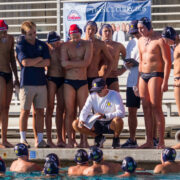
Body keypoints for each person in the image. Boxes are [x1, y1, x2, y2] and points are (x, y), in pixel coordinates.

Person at [137, 17, 171, 149]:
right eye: (139, 28)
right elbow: (140, 61)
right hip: (143, 76)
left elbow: (167, 62)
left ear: (149, 27)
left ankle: (161, 141)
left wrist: (165, 82)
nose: (140, 31)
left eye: (142, 28)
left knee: (156, 107)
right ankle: (149, 140)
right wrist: (137, 81)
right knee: (145, 108)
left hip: (156, 75)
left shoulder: (160, 40)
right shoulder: (140, 40)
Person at [16, 21, 50, 148]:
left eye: (35, 33)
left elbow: (47, 62)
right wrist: (38, 59)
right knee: (25, 111)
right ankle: (23, 139)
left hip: (41, 83)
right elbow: (24, 62)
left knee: (40, 112)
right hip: (27, 84)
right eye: (30, 34)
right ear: (24, 34)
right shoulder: (21, 45)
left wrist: (33, 62)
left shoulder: (42, 45)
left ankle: (39, 140)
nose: (33, 36)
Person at [61, 24, 93, 148]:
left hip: (82, 81)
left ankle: (83, 140)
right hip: (69, 81)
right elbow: (63, 64)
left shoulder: (87, 44)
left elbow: (87, 63)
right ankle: (70, 140)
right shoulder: (65, 45)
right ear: (69, 35)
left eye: (77, 37)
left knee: (83, 112)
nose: (75, 40)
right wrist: (79, 63)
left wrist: (71, 63)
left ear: (80, 34)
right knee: (70, 112)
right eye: (73, 37)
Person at [73, 78, 125, 149]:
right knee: (76, 124)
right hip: (97, 122)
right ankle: (98, 137)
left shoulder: (115, 94)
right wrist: (82, 119)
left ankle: (116, 139)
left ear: (106, 87)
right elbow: (85, 109)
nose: (97, 93)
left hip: (110, 123)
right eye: (95, 90)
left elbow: (121, 113)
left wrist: (105, 116)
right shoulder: (92, 96)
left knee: (118, 120)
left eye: (99, 90)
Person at [115, 20, 141, 148]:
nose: (135, 35)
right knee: (131, 111)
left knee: (150, 110)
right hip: (132, 80)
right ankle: (132, 139)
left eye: (136, 32)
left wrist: (138, 64)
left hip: (146, 80)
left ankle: (153, 138)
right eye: (133, 33)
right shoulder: (130, 43)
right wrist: (126, 65)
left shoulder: (149, 41)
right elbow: (127, 62)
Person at [0, 20, 19, 148]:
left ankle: (4, 139)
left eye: (6, 31)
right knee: (0, 107)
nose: (4, 34)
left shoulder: (11, 39)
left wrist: (16, 77)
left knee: (6, 108)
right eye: (2, 32)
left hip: (8, 74)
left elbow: (12, 58)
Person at [45, 31, 65, 148]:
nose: (55, 45)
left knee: (61, 109)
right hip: (51, 78)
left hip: (62, 79)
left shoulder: (63, 46)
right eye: (52, 43)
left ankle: (60, 138)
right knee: (50, 107)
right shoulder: (47, 49)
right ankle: (48, 139)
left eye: (56, 42)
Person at [84, 21, 113, 90]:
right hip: (82, 78)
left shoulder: (100, 44)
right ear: (85, 29)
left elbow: (111, 61)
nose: (91, 31)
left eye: (93, 29)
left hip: (94, 77)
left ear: (96, 31)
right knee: (83, 100)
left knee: (96, 99)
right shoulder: (81, 43)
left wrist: (104, 77)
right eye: (89, 29)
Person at [99, 24, 126, 92]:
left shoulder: (118, 46)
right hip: (99, 78)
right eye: (105, 31)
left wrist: (122, 70)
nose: (107, 33)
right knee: (100, 101)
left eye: (109, 31)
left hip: (113, 78)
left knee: (115, 101)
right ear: (101, 33)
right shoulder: (96, 45)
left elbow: (128, 59)